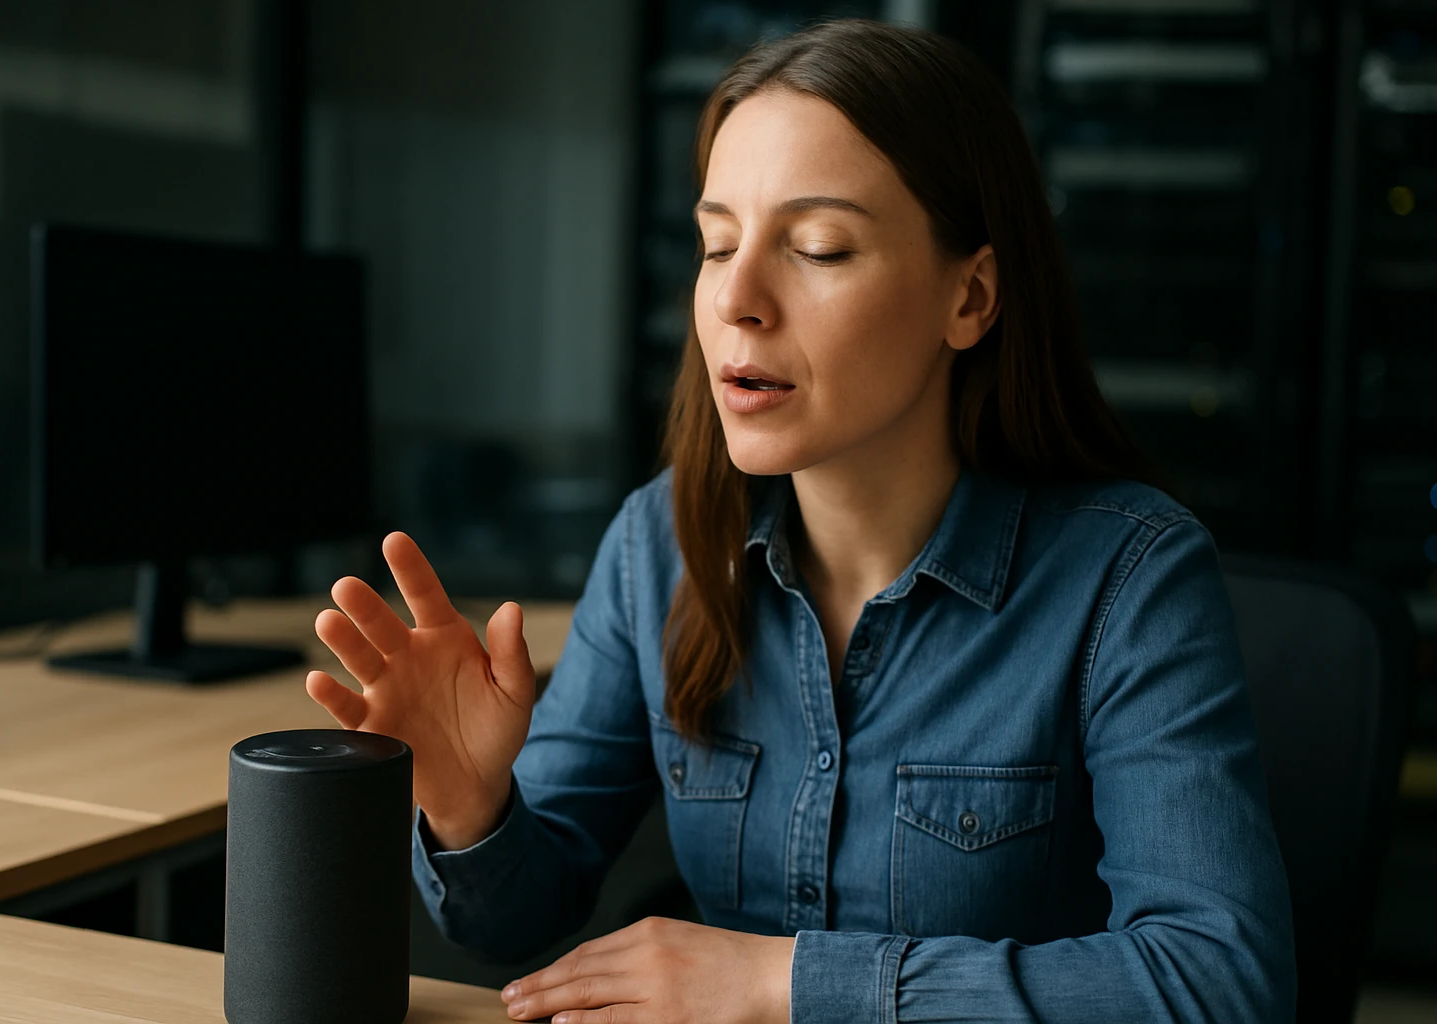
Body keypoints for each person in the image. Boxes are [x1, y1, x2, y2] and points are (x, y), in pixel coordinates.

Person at [305, 18, 1294, 1024]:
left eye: (818, 247)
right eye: (716, 242)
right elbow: (515, 916)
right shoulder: (659, 546)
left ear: (973, 295)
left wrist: (778, 979)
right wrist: (472, 805)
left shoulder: (1131, 576)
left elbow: (1218, 983)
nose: (737, 297)